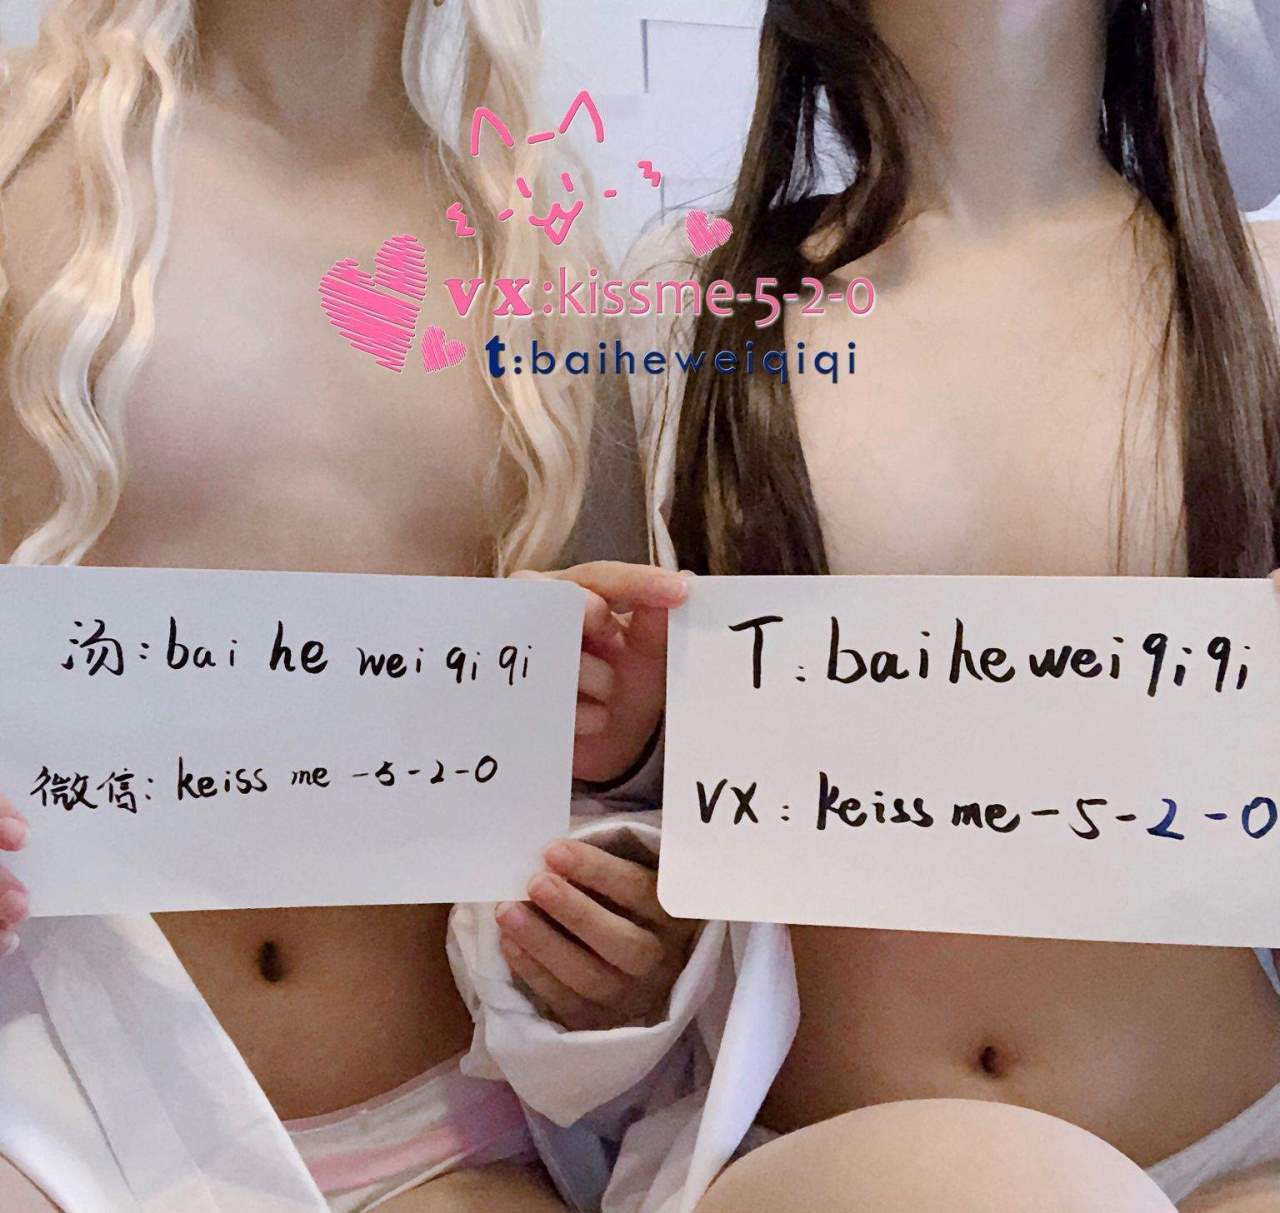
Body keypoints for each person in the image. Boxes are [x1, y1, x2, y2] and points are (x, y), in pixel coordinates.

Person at [496, 0, 1280, 1208]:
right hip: (812, 1153)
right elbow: (609, 792)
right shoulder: (684, 309)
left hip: (1243, 1142)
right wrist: (628, 822)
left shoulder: (1262, 296)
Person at [0, 2, 689, 1209]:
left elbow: (598, 735)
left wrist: (620, 850)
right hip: (53, 1102)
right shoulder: (23, 164)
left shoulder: (538, 238)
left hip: (442, 1125)